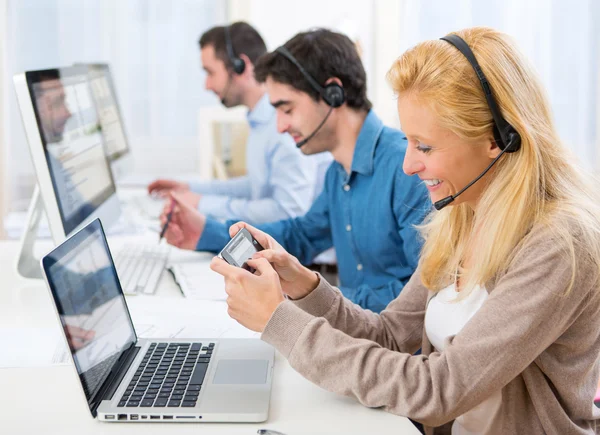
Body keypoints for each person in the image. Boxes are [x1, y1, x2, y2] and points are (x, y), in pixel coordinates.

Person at [210, 27, 600, 433]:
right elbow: (390, 335)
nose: (408, 165)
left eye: (425, 147)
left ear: (497, 139)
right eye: (409, 142)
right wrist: (304, 287)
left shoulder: (559, 243)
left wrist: (280, 320)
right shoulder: (462, 218)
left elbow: (440, 389)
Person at [162, 29, 430, 313]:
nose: (279, 126)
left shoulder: (407, 169)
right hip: (353, 336)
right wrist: (206, 232)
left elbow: (422, 295)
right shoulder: (338, 173)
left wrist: (312, 300)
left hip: (389, 350)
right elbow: (301, 236)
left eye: (287, 109)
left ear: (332, 94)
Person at [148, 22, 328, 224]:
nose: (206, 85)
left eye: (210, 72)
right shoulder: (260, 120)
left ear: (239, 66)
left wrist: (201, 203)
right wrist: (190, 189)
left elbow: (288, 210)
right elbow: (256, 186)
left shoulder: (283, 125)